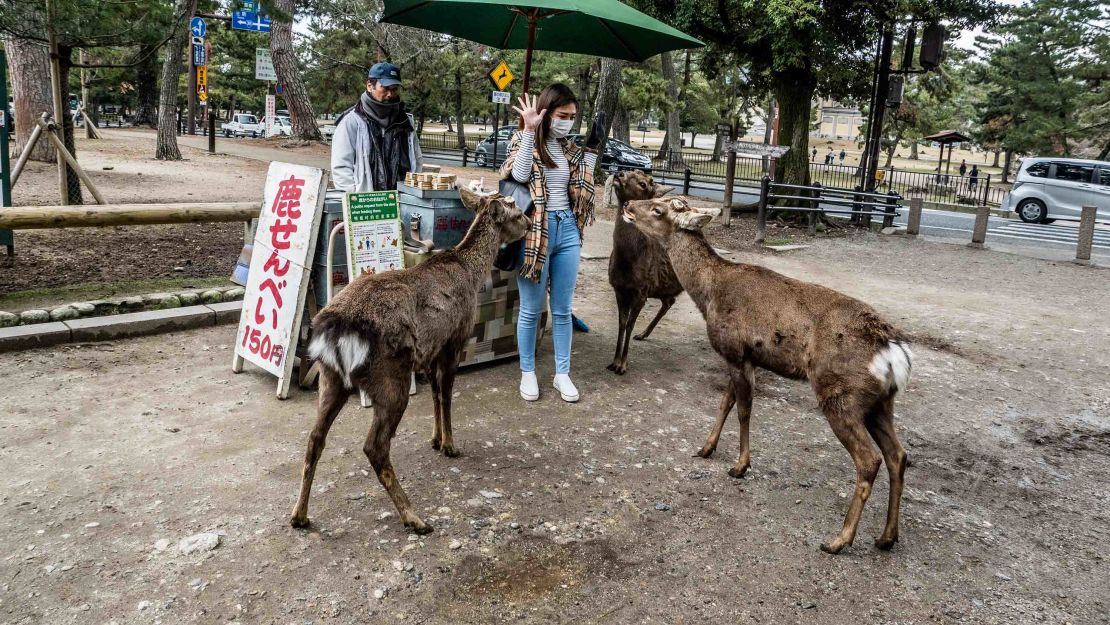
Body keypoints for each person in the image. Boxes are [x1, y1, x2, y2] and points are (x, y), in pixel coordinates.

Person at [501, 84, 602, 403]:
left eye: (573, 117)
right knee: (531, 309)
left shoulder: (569, 148)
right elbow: (516, 176)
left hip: (568, 229)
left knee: (562, 309)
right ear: (546, 113)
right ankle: (527, 372)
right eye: (562, 115)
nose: (568, 122)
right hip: (535, 231)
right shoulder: (523, 139)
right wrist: (530, 130)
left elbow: (583, 189)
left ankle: (562, 374)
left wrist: (592, 151)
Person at [331, 62, 423, 193]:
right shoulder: (351, 121)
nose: (390, 94)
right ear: (370, 86)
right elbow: (341, 166)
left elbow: (416, 160)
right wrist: (356, 199)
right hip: (368, 205)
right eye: (385, 88)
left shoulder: (405, 122)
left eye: (394, 89)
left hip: (402, 200)